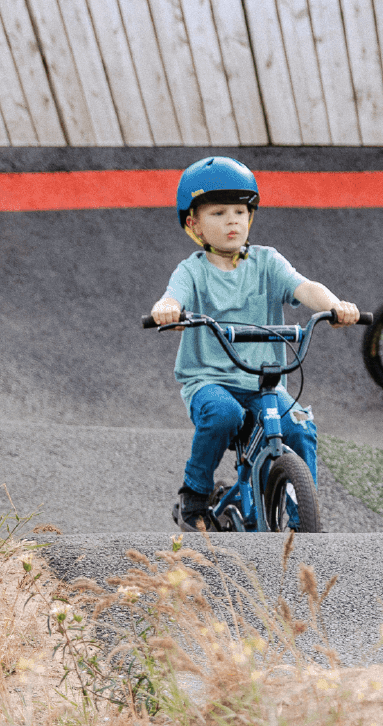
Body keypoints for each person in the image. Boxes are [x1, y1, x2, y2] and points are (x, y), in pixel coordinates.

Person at [149, 157, 360, 532]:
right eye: (218, 212)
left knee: (297, 426)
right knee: (224, 414)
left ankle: (303, 523)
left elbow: (305, 287)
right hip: (210, 381)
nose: (232, 220)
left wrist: (334, 305)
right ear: (193, 223)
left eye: (240, 211)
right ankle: (195, 493)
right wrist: (169, 310)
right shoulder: (192, 270)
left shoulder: (267, 262)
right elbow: (173, 298)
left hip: (263, 382)